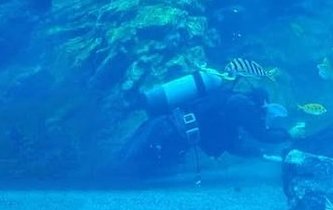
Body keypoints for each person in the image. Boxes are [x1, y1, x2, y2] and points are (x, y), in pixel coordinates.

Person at [118, 76, 292, 178]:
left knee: (125, 168)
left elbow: (231, 145)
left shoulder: (227, 100)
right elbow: (262, 135)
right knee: (125, 173)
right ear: (261, 104)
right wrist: (290, 133)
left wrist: (256, 153)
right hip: (167, 135)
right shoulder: (241, 105)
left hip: (161, 127)